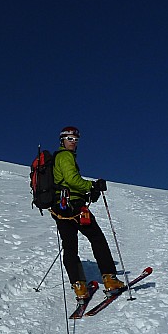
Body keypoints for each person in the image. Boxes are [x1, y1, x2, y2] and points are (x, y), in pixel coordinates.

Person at [50, 126, 125, 300]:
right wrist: (92, 185)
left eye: (76, 140)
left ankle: (79, 287)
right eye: (70, 139)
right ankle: (110, 279)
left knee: (70, 246)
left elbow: (66, 183)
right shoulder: (65, 156)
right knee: (97, 238)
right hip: (74, 207)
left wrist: (87, 193)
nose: (73, 142)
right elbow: (72, 180)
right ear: (62, 140)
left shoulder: (57, 158)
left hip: (59, 207)